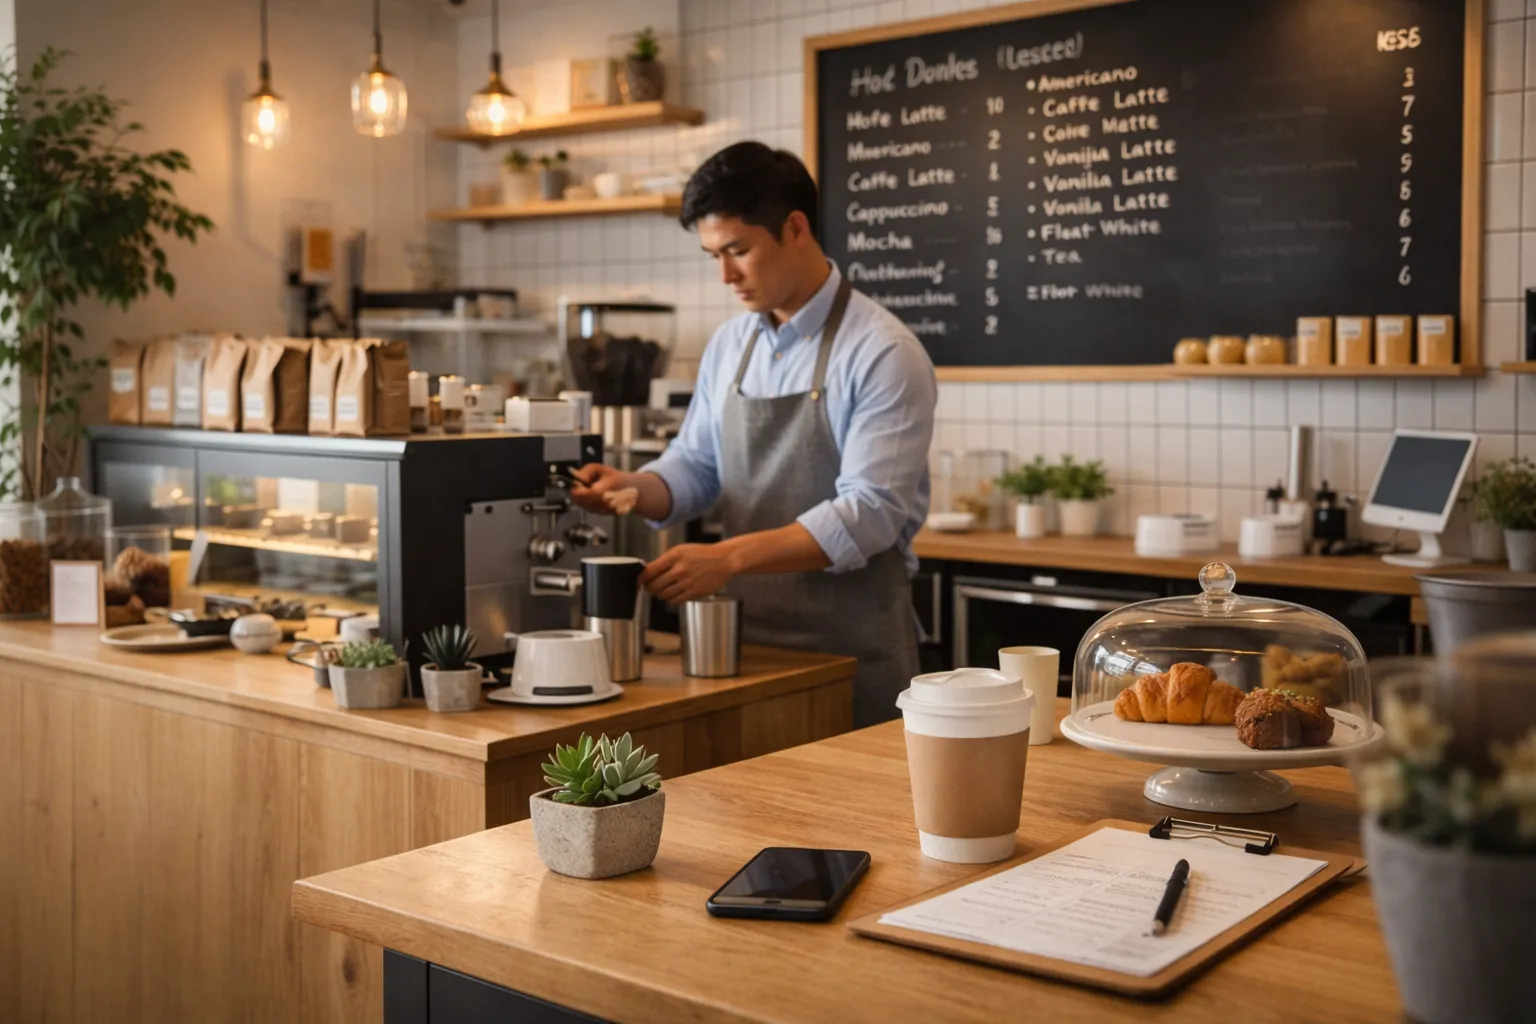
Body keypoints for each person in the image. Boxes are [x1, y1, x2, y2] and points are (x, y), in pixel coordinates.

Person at [570, 141, 937, 728]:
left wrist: (728, 558)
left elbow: (870, 513)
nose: (725, 275)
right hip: (743, 655)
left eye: (738, 250)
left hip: (851, 654)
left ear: (795, 227)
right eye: (712, 254)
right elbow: (697, 465)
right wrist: (634, 487)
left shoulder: (882, 351)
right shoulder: (731, 345)